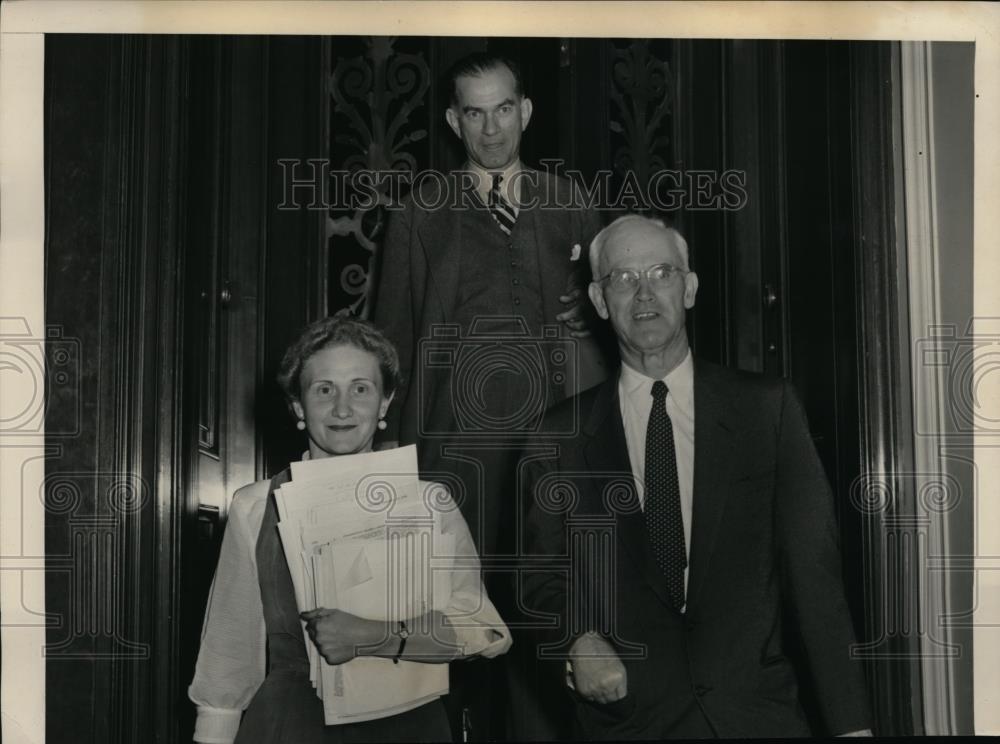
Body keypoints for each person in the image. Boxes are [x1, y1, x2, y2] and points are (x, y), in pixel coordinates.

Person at [521, 214, 874, 738]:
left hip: (758, 719)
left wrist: (852, 728)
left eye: (661, 273)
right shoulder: (558, 437)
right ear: (598, 301)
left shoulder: (767, 412)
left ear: (688, 289)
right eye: (623, 278)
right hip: (629, 722)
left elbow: (816, 581)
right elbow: (538, 576)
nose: (644, 294)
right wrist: (576, 640)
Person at [373, 52, 604, 740]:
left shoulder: (574, 205)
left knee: (547, 619)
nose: (492, 128)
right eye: (474, 112)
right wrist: (390, 452)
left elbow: (614, 316)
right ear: (454, 120)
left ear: (525, 112)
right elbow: (390, 334)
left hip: (553, 446)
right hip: (454, 451)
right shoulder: (421, 213)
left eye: (504, 108)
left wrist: (594, 315)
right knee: (448, 624)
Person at [188, 316, 511, 744]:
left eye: (361, 388)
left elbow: (485, 632)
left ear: (384, 403)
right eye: (324, 390)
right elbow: (227, 655)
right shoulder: (254, 505)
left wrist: (374, 636)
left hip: (409, 726)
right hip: (290, 726)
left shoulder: (429, 503)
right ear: (298, 407)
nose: (342, 408)